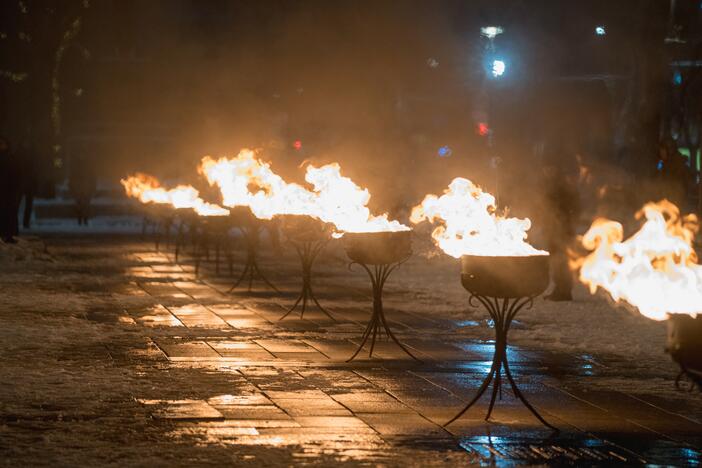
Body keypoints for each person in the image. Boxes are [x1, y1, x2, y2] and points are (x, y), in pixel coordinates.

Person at [542, 158, 581, 301]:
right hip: (556, 227)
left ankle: (563, 291)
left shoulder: (562, 188)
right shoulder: (557, 186)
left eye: (549, 168)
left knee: (561, 260)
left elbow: (569, 208)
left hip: (562, 229)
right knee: (557, 259)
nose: (547, 171)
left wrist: (565, 222)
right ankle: (560, 289)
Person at [656, 137, 691, 208]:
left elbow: (677, 185)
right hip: (668, 200)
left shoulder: (677, 164)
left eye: (663, 150)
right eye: (660, 150)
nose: (661, 153)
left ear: (670, 150)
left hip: (676, 201)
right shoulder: (664, 164)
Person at [0, 137, 23, 243]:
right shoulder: (10, 158)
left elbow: (17, 174)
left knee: (9, 213)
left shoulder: (11, 158)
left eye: (3, 144)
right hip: (4, 190)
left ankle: (8, 235)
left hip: (9, 191)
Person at [69, 154, 97, 225]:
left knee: (82, 206)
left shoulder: (78, 171)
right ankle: (83, 220)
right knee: (83, 206)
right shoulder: (80, 171)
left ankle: (83, 220)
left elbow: (93, 181)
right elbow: (71, 181)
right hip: (82, 190)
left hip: (82, 190)